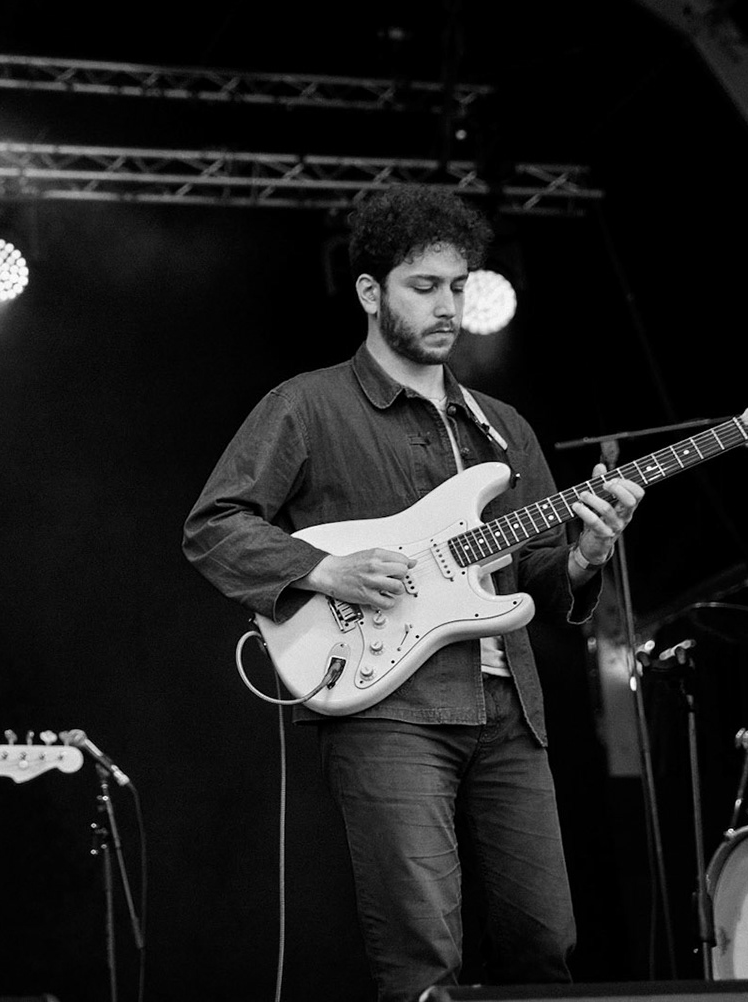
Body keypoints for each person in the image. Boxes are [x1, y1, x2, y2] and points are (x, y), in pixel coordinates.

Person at [182, 186, 644, 1002]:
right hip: (389, 712)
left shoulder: (502, 426)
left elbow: (542, 576)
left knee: (545, 944)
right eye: (423, 286)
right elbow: (213, 526)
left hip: (512, 713)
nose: (447, 306)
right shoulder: (308, 405)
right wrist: (322, 569)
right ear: (371, 292)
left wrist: (587, 553)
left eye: (458, 286)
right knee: (422, 958)